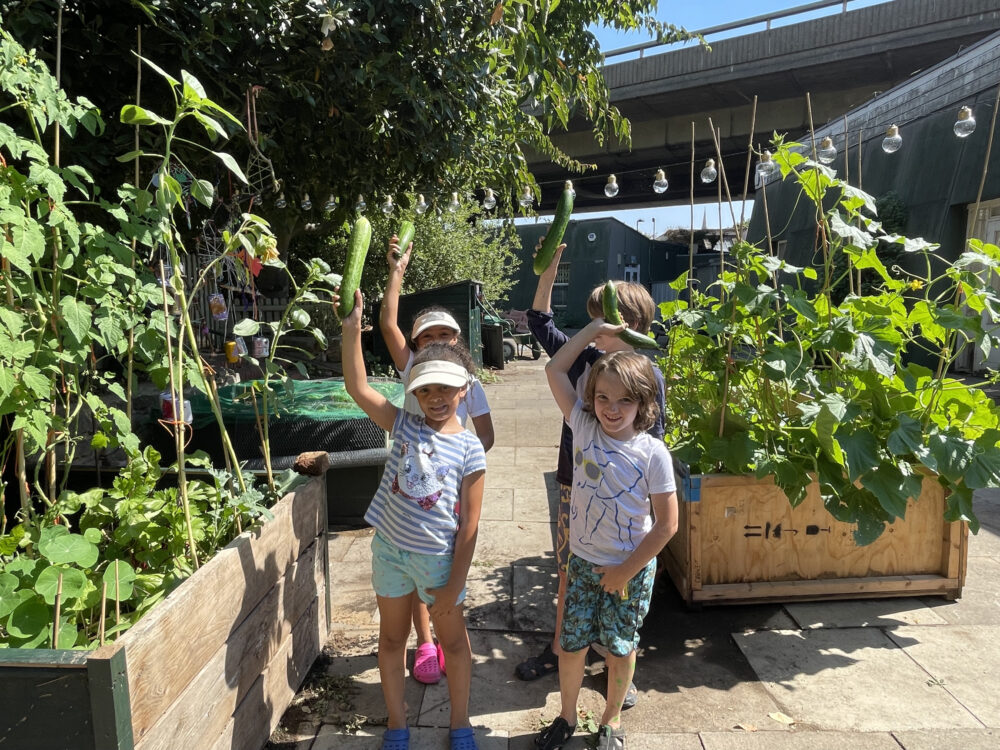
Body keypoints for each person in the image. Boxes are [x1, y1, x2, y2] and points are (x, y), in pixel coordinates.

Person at [518, 240, 666, 711]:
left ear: (635, 326)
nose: (596, 328)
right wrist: (551, 269)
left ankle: (616, 667)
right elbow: (541, 323)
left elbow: (649, 443)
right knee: (570, 572)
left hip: (625, 495)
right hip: (574, 483)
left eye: (606, 320)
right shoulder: (585, 356)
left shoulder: (648, 379)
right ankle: (562, 648)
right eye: (594, 320)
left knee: (623, 577)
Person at [339, 288, 487, 750]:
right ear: (413, 391)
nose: (436, 396)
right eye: (425, 388)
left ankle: (459, 723)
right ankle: (397, 725)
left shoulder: (470, 448)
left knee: (456, 645)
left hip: (441, 563)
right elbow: (357, 387)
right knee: (389, 641)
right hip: (390, 552)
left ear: (465, 388)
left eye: (446, 387)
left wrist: (452, 585)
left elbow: (470, 526)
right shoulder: (402, 423)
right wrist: (350, 332)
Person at [534, 323, 678, 750]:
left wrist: (624, 571)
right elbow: (554, 370)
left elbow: (667, 525)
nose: (612, 409)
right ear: (590, 398)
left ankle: (610, 721)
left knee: (619, 649)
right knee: (572, 644)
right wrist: (595, 330)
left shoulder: (652, 453)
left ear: (644, 402)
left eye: (625, 400)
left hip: (629, 571)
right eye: (603, 398)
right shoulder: (581, 424)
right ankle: (565, 716)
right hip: (581, 562)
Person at [379, 233, 495, 686]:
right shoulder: (413, 372)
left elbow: (485, 433)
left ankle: (440, 636)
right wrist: (396, 272)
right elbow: (388, 325)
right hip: (408, 480)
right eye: (427, 335)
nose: (437, 340)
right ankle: (424, 641)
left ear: (457, 338)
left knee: (441, 563)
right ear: (417, 343)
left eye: (445, 333)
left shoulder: (468, 379)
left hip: (451, 478)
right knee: (407, 561)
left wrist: (461, 459)